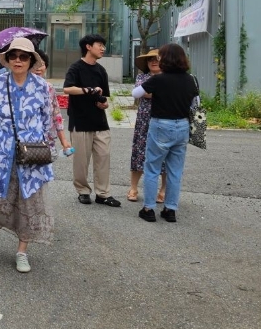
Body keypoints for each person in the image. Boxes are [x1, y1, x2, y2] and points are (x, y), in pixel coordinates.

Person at [0, 37, 56, 274]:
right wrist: (0, 140)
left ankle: (22, 251)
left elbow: (47, 122)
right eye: (13, 56)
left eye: (24, 56)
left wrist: (47, 150)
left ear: (31, 60)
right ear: (7, 60)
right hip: (1, 153)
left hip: (31, 154)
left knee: (28, 202)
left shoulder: (42, 87)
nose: (18, 60)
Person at [131, 42, 199, 224]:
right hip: (183, 126)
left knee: (152, 167)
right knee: (175, 170)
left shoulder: (158, 79)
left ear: (166, 59)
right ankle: (170, 210)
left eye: (160, 56)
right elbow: (195, 104)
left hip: (161, 125)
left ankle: (149, 209)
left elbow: (135, 93)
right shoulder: (190, 79)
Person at [62, 34, 121, 207]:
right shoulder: (76, 68)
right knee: (81, 161)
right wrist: (87, 90)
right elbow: (67, 88)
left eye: (104, 45)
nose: (103, 48)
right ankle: (83, 191)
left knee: (103, 158)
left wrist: (104, 104)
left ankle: (103, 194)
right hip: (80, 121)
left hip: (100, 122)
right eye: (99, 45)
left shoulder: (101, 70)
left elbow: (104, 98)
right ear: (88, 47)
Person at [128, 49, 166, 203]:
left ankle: (163, 190)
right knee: (139, 152)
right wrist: (160, 91)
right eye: (150, 60)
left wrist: (151, 90)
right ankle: (133, 187)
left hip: (164, 120)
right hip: (144, 120)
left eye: (156, 59)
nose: (153, 62)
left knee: (165, 156)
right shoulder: (142, 76)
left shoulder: (168, 77)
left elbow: (147, 92)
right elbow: (142, 93)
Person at [32, 51, 74, 157]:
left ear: (46, 67)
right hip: (27, 142)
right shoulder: (21, 88)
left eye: (41, 64)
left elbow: (57, 115)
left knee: (45, 170)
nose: (38, 68)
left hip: (47, 140)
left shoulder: (49, 88)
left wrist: (64, 142)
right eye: (34, 65)